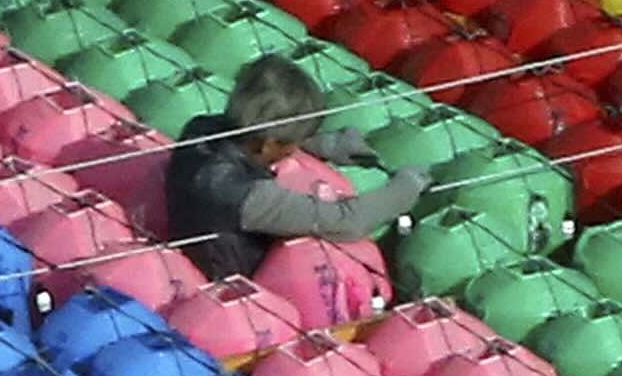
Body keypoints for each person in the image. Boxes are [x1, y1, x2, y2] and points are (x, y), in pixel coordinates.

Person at [167, 57, 431, 299]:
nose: (296, 146)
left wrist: (324, 145)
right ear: (268, 144)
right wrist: (406, 187)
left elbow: (254, 132)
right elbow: (346, 221)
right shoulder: (243, 195)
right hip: (238, 280)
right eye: (295, 141)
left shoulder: (200, 129)